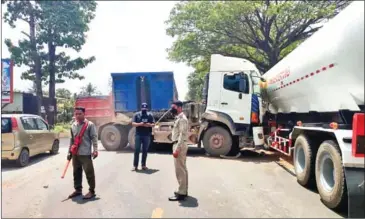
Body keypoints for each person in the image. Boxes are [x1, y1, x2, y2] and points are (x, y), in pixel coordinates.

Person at [67, 107, 98, 199]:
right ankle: (78, 189)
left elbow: (94, 138)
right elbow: (71, 140)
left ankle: (91, 191)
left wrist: (95, 150)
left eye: (79, 114)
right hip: (75, 154)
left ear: (84, 114)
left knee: (89, 173)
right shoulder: (73, 125)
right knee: (76, 172)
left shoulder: (90, 125)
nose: (77, 116)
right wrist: (69, 152)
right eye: (76, 114)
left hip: (85, 153)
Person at [169, 100, 189, 201]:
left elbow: (182, 134)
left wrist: (177, 149)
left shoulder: (182, 119)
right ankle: (183, 190)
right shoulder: (179, 118)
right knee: (183, 169)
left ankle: (182, 193)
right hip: (178, 144)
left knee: (180, 170)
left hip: (179, 145)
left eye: (174, 107)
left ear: (179, 107)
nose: (172, 109)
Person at [132, 103, 155, 171]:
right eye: (143, 108)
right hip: (138, 135)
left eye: (145, 108)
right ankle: (135, 166)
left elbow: (153, 124)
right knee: (137, 150)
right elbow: (133, 123)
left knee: (145, 151)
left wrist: (148, 125)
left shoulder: (150, 115)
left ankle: (143, 165)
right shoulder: (136, 114)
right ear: (141, 108)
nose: (144, 109)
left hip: (147, 135)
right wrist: (140, 124)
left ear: (147, 108)